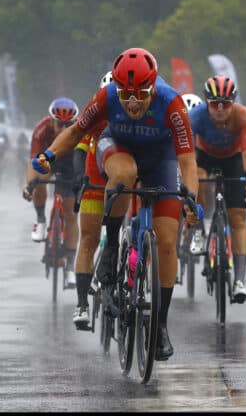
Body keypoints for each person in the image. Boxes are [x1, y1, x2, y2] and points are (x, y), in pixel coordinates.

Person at [32, 48, 199, 361]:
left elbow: (187, 160)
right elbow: (76, 131)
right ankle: (110, 252)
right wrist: (49, 155)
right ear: (116, 90)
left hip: (160, 159)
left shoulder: (172, 103)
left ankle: (160, 326)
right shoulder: (106, 96)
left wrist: (191, 197)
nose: (133, 103)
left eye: (141, 95)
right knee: (124, 173)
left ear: (153, 89)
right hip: (117, 148)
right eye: (125, 95)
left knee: (166, 242)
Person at [189, 75, 246, 303]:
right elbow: (187, 157)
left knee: (238, 218)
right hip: (204, 157)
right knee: (197, 180)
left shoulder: (244, 116)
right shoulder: (195, 117)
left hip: (233, 159)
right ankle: (199, 231)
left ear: (233, 102)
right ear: (206, 102)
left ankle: (240, 280)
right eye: (214, 104)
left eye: (226, 104)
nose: (220, 109)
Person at [22, 98, 80, 288]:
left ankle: (70, 265)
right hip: (47, 159)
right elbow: (33, 162)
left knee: (71, 214)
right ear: (51, 120)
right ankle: (40, 219)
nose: (63, 129)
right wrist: (29, 186)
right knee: (38, 177)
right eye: (59, 124)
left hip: (70, 165)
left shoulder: (80, 130)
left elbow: (84, 163)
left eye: (68, 125)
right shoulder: (42, 129)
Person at [72, 72, 111, 330]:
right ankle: (82, 304)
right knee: (88, 239)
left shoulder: (140, 112)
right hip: (95, 180)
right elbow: (80, 148)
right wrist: (79, 179)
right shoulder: (94, 110)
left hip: (126, 180)